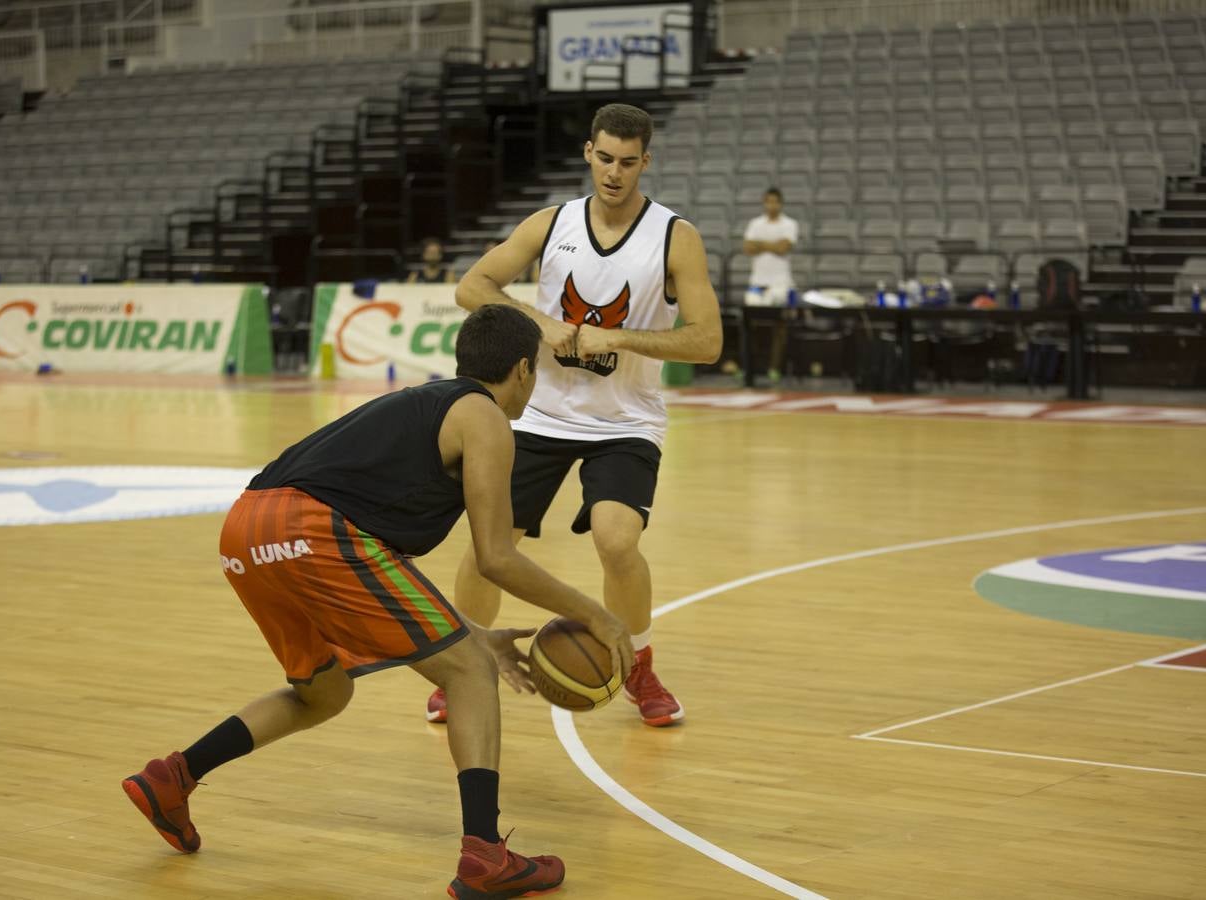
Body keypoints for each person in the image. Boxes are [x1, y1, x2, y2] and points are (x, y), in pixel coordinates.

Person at [121, 304, 632, 898]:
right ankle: (484, 855)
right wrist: (596, 614)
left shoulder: (424, 404)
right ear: (523, 369)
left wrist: (471, 629)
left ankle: (173, 778)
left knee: (325, 692)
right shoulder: (485, 417)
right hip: (314, 530)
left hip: (248, 525)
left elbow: (381, 562)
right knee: (469, 673)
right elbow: (496, 557)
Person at [425, 103, 722, 728]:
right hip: (540, 415)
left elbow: (707, 341)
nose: (615, 172)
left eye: (628, 162)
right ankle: (462, 663)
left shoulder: (674, 236)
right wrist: (544, 324)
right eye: (605, 158)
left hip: (626, 421)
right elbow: (471, 287)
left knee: (617, 541)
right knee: (490, 546)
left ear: (646, 162)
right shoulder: (550, 222)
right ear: (589, 153)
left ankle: (638, 665)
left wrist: (622, 339)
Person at [742, 187, 801, 384]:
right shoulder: (755, 223)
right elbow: (748, 248)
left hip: (781, 284)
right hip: (757, 283)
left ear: (780, 203)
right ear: (764, 203)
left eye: (775, 201)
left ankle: (774, 368)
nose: (771, 205)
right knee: (752, 325)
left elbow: (784, 248)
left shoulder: (790, 224)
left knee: (780, 327)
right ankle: (750, 368)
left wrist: (761, 244)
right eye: (768, 201)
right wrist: (773, 245)